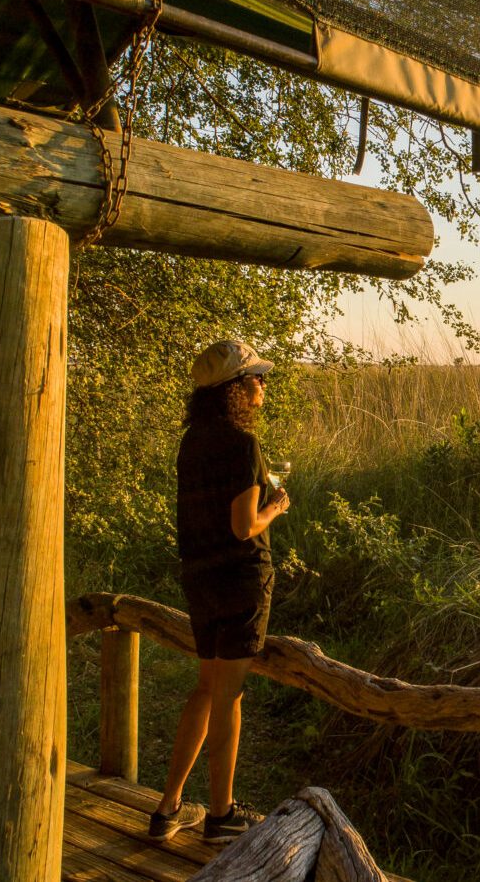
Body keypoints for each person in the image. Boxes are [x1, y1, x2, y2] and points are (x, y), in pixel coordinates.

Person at [149, 340, 289, 842]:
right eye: (255, 377)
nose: (262, 384)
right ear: (234, 388)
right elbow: (243, 526)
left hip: (200, 580)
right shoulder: (241, 444)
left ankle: (168, 807)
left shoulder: (194, 441)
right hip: (239, 581)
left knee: (205, 689)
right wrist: (277, 507)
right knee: (229, 698)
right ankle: (222, 815)